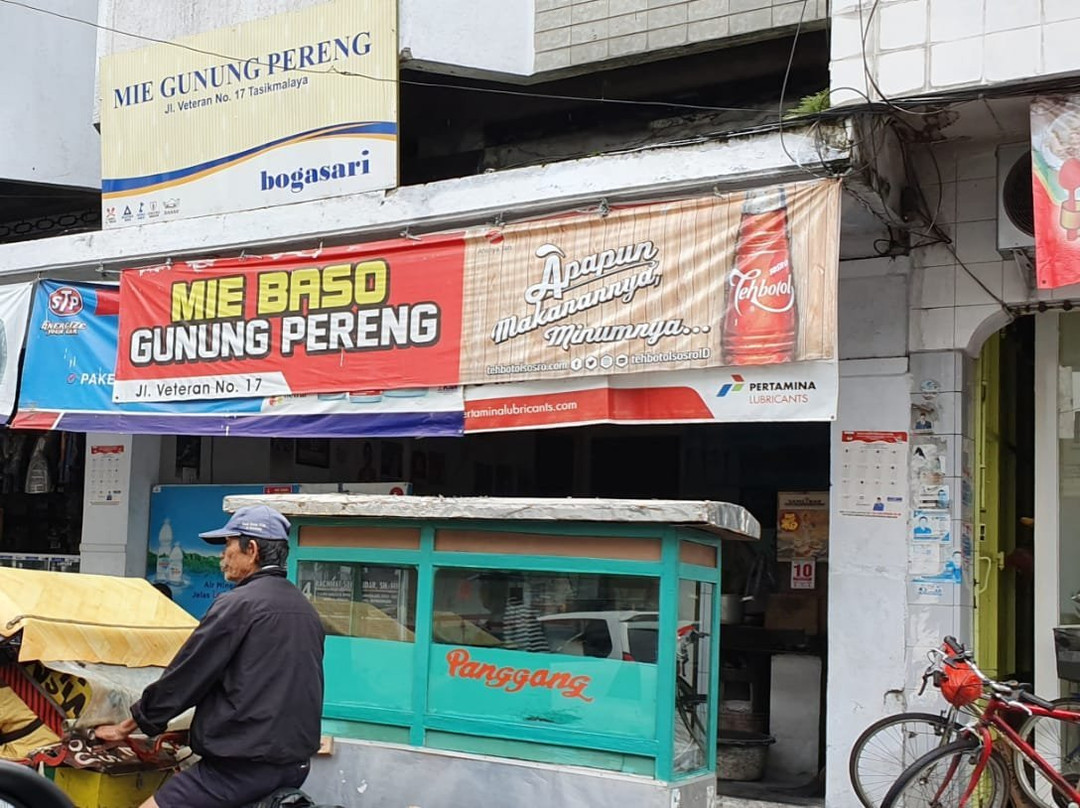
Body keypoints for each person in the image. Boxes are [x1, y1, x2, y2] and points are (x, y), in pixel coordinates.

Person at [94, 504, 325, 808]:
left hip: (239, 768)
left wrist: (127, 726)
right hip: (294, 765)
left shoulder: (238, 604)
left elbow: (188, 675)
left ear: (252, 549)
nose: (222, 556)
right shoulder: (304, 609)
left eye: (228, 545)